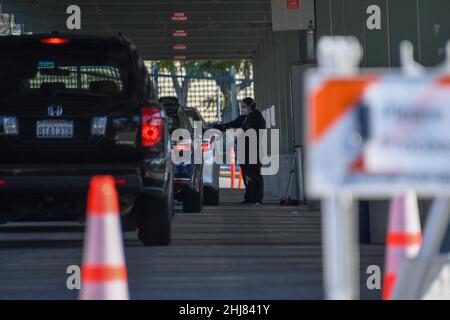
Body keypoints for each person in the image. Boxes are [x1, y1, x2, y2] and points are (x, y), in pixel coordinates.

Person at [214, 97, 266, 206]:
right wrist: (220, 127)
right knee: (246, 174)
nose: (242, 108)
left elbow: (258, 132)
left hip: (254, 149)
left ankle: (258, 199)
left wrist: (245, 132)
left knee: (255, 174)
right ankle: (249, 197)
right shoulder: (243, 118)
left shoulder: (258, 118)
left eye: (243, 106)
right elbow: (231, 124)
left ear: (249, 106)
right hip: (243, 150)